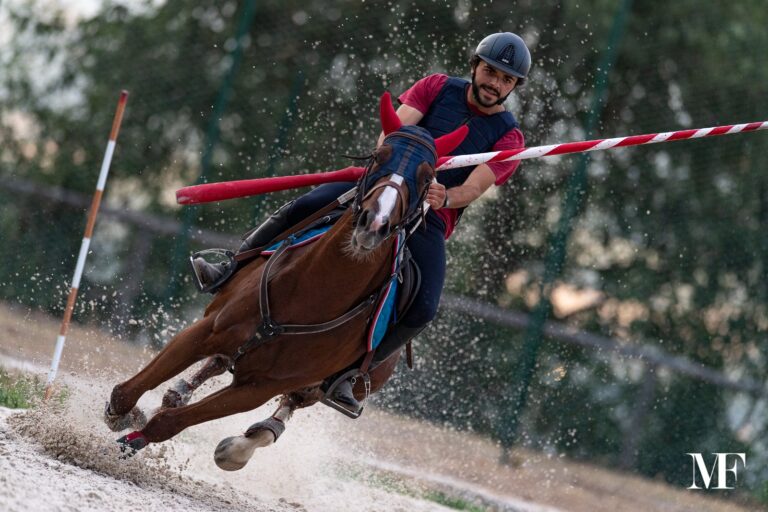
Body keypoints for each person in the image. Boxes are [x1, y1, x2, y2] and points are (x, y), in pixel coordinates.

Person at [192, 32, 531, 413]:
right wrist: (392, 170)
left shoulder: (510, 136)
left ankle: (351, 374)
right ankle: (231, 267)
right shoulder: (436, 86)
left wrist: (445, 197)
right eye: (490, 71)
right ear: (475, 66)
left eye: (505, 79)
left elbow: (474, 186)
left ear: (514, 86)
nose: (494, 83)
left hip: (428, 214)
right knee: (303, 206)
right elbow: (393, 128)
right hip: (379, 183)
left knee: (424, 307)